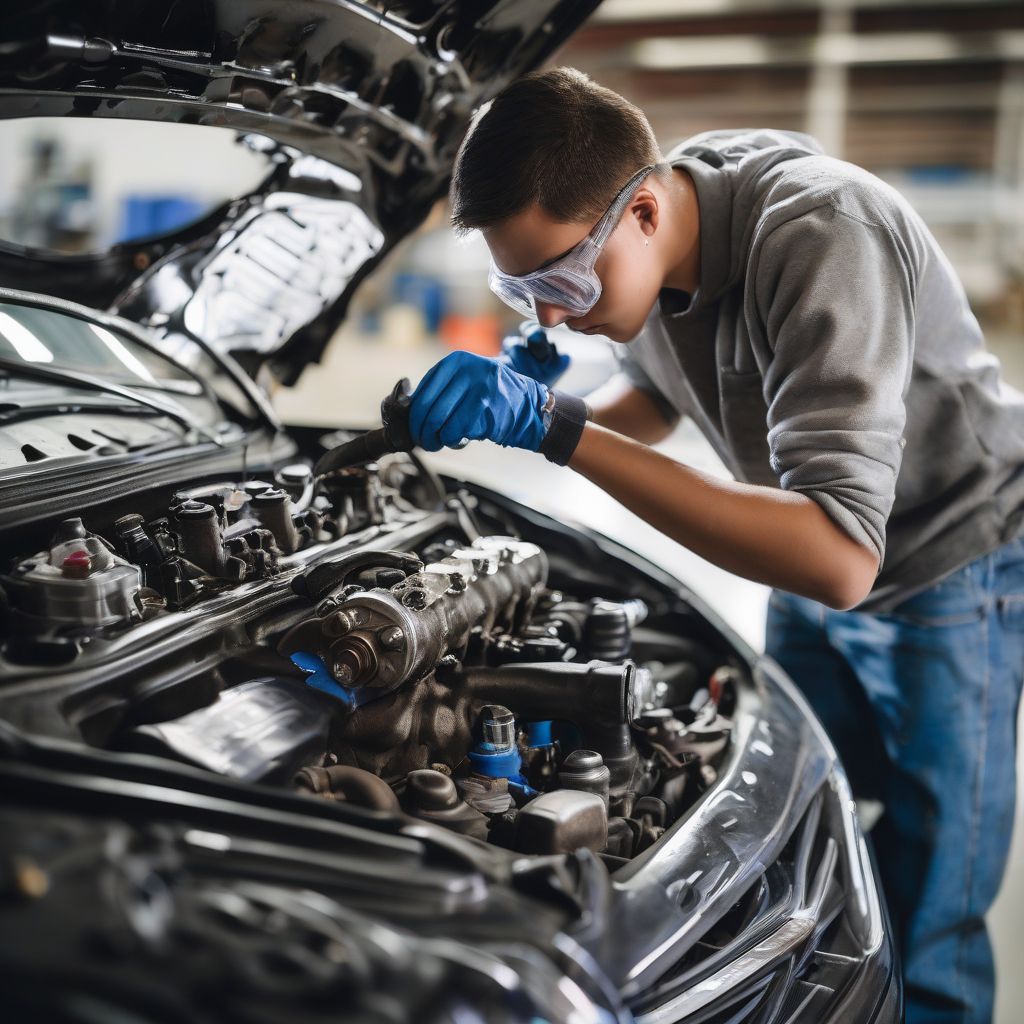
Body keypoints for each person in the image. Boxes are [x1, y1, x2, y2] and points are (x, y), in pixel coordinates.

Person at [403, 66, 1024, 1024]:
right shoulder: (669, 221)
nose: (551, 316)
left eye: (564, 280)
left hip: (949, 564)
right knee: (798, 829)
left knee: (929, 904)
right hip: (806, 546)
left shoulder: (824, 235)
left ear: (643, 212)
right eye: (520, 288)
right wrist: (540, 404)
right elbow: (657, 402)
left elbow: (838, 560)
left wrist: (556, 429)